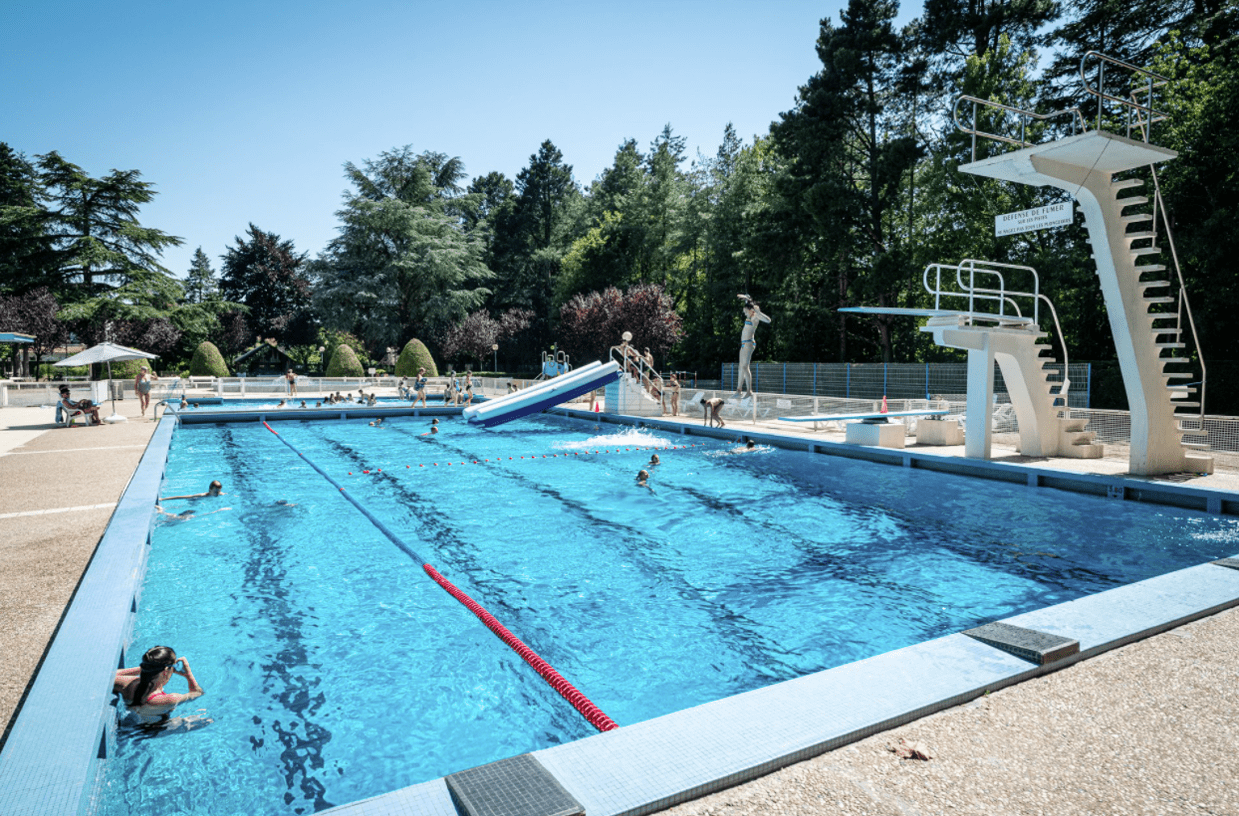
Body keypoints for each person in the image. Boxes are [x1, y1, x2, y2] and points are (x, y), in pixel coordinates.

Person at [113, 646, 204, 726]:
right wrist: (188, 674)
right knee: (205, 720)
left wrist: (148, 669)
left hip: (131, 724)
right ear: (165, 671)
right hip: (154, 730)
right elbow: (198, 693)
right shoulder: (171, 699)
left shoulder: (129, 683)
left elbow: (112, 675)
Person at [736, 294, 771, 397]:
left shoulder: (755, 317)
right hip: (743, 344)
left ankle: (749, 391)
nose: (744, 313)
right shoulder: (750, 315)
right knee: (740, 367)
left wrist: (759, 312)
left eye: (746, 311)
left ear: (752, 311)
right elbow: (750, 305)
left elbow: (768, 320)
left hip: (748, 343)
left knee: (745, 366)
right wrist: (747, 299)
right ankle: (738, 390)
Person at [160, 480, 225, 502]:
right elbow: (181, 497)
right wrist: (163, 499)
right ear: (210, 490)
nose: (217, 493)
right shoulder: (202, 496)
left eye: (219, 491)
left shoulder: (221, 494)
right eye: (216, 491)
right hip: (194, 501)